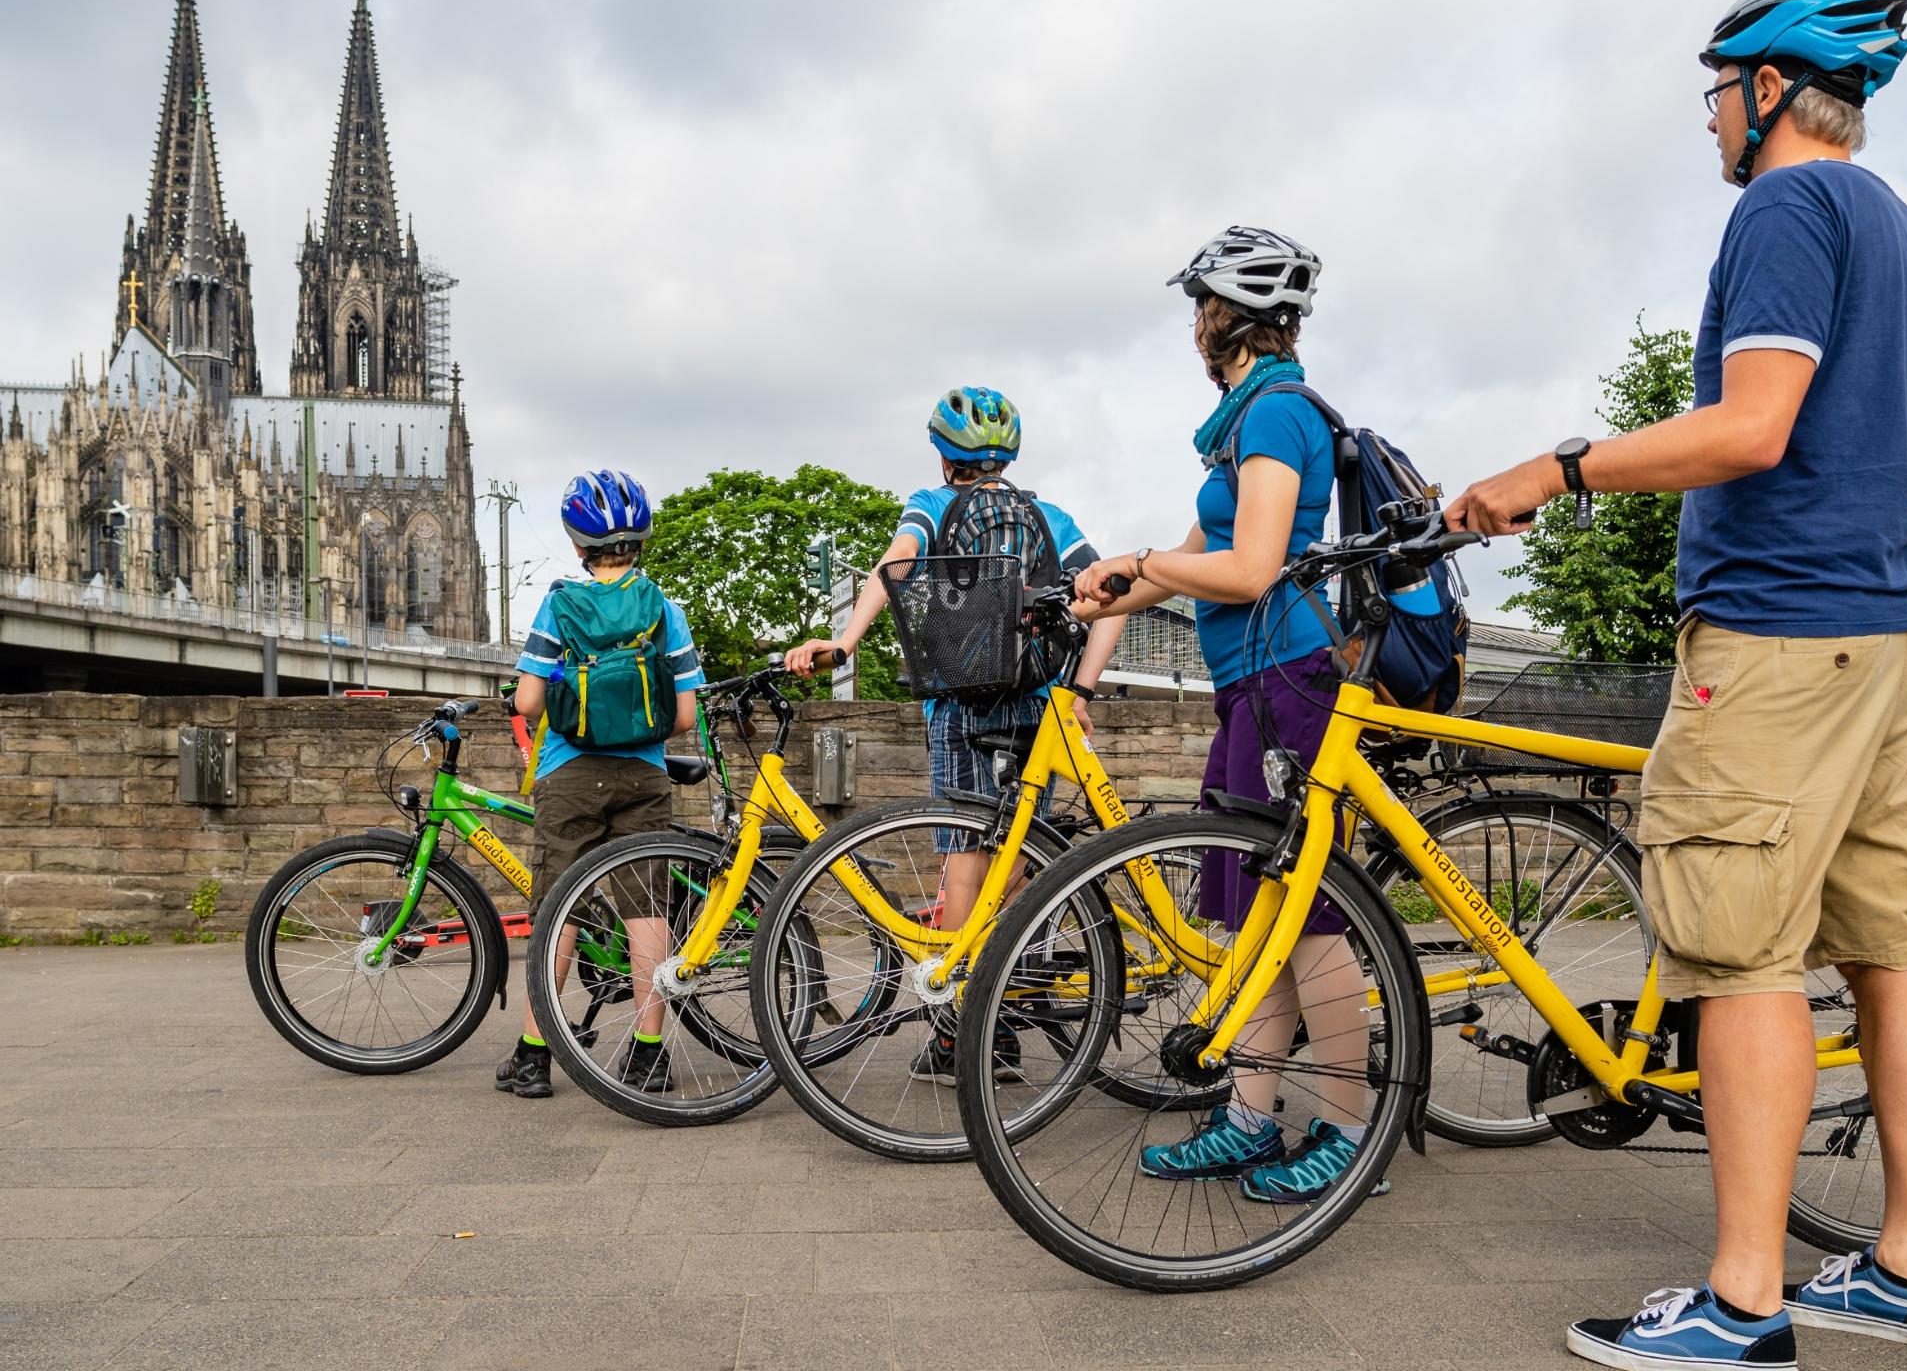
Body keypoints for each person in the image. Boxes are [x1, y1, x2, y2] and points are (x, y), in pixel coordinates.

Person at [1446, 0, 1907, 1366]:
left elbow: (1750, 428)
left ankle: (1744, 1305)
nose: (1710, 121)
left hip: (1783, 637)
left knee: (1740, 957)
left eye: (1717, 92)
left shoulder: (1784, 210)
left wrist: (1554, 469)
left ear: (1773, 91)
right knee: (1896, 946)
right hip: (1898, 635)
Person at [1076, 226, 1384, 1204]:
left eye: (1195, 309)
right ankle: (1251, 1113)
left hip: (1291, 674)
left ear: (1221, 317)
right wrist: (1095, 595)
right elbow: (1191, 549)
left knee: (1310, 918)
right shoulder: (1247, 418)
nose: (1191, 328)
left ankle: (1348, 1127)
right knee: (1263, 918)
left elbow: (1248, 566)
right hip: (1252, 681)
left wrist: (1142, 563)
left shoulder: (1275, 412)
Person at [785, 385, 1126, 1083]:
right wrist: (1081, 689)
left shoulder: (934, 505)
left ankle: (965, 1030)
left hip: (960, 711)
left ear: (945, 457)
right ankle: (1012, 1006)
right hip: (1037, 707)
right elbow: (1112, 601)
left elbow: (896, 566)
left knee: (965, 859)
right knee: (1022, 860)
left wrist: (846, 642)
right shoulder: (1048, 515)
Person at [495, 468, 705, 1101]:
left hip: (568, 773)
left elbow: (529, 699)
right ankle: (648, 1056)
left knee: (558, 910)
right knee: (647, 911)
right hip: (643, 774)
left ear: (578, 544)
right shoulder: (664, 609)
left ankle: (535, 1057)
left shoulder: (561, 604)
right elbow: (687, 715)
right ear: (638, 539)